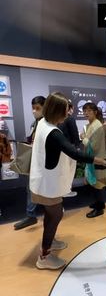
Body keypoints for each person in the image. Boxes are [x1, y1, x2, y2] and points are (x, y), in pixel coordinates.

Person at [30, 92, 106, 270]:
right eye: (67, 109)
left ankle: (51, 242)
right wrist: (103, 161)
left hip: (43, 180)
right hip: (47, 184)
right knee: (55, 215)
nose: (69, 112)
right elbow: (75, 153)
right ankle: (44, 256)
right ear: (59, 111)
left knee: (52, 215)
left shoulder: (43, 122)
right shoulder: (53, 132)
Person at [14, 96, 46, 230]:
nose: (34, 111)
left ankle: (53, 213)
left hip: (44, 163)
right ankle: (31, 215)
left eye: (37, 108)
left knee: (46, 190)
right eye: (33, 108)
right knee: (31, 187)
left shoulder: (47, 123)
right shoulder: (35, 123)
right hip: (34, 161)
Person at [81, 102, 106, 218]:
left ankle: (100, 208)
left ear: (95, 112)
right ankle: (98, 204)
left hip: (98, 159)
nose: (86, 113)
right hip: (92, 159)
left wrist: (83, 138)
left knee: (98, 185)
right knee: (94, 183)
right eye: (85, 111)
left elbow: (93, 146)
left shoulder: (97, 125)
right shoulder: (91, 124)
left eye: (89, 111)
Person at [58, 99, 80, 197]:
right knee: (70, 170)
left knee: (63, 170)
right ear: (70, 108)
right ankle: (67, 190)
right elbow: (74, 133)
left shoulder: (58, 118)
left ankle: (62, 190)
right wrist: (77, 147)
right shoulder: (70, 118)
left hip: (61, 148)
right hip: (70, 148)